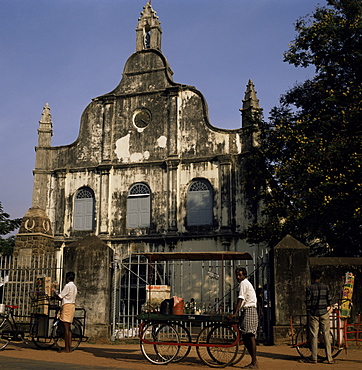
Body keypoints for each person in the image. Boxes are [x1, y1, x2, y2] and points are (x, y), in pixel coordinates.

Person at [229, 267, 258, 369]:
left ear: (244, 275)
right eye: (237, 275)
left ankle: (254, 363)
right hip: (247, 310)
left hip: (250, 310)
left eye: (240, 275)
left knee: (250, 336)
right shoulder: (245, 283)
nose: (238, 277)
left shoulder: (243, 283)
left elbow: (241, 298)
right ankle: (254, 361)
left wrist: (235, 313)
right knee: (246, 337)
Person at [306, 270, 335, 364]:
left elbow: (308, 301)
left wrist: (309, 308)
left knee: (314, 335)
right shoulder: (325, 287)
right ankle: (329, 358)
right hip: (324, 313)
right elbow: (329, 299)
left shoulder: (309, 288)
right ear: (320, 278)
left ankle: (314, 358)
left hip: (314, 313)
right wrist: (329, 306)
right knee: (326, 334)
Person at [52, 271, 78, 353]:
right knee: (68, 328)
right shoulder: (74, 286)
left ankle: (66, 348)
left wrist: (55, 295)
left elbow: (60, 296)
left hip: (67, 306)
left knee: (66, 328)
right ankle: (69, 347)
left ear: (67, 278)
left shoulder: (68, 286)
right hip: (72, 306)